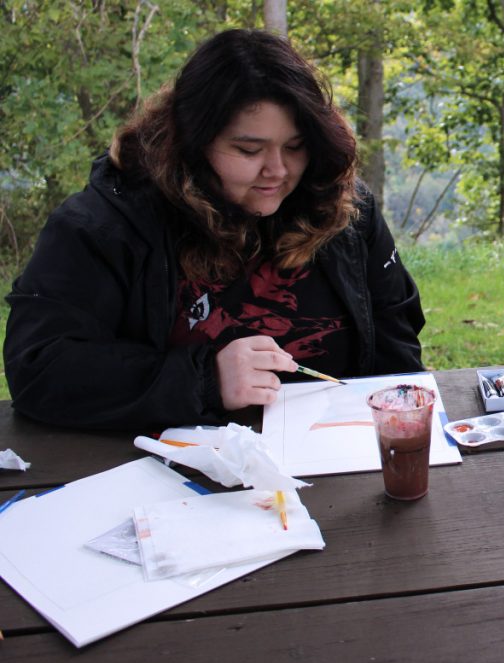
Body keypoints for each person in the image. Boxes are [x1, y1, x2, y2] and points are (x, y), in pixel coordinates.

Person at [4, 29, 425, 430]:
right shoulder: (107, 225)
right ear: (193, 141)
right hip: (165, 474)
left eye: (295, 147)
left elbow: (395, 339)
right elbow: (40, 367)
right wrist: (206, 379)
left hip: (337, 458)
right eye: (248, 149)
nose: (277, 170)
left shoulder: (344, 209)